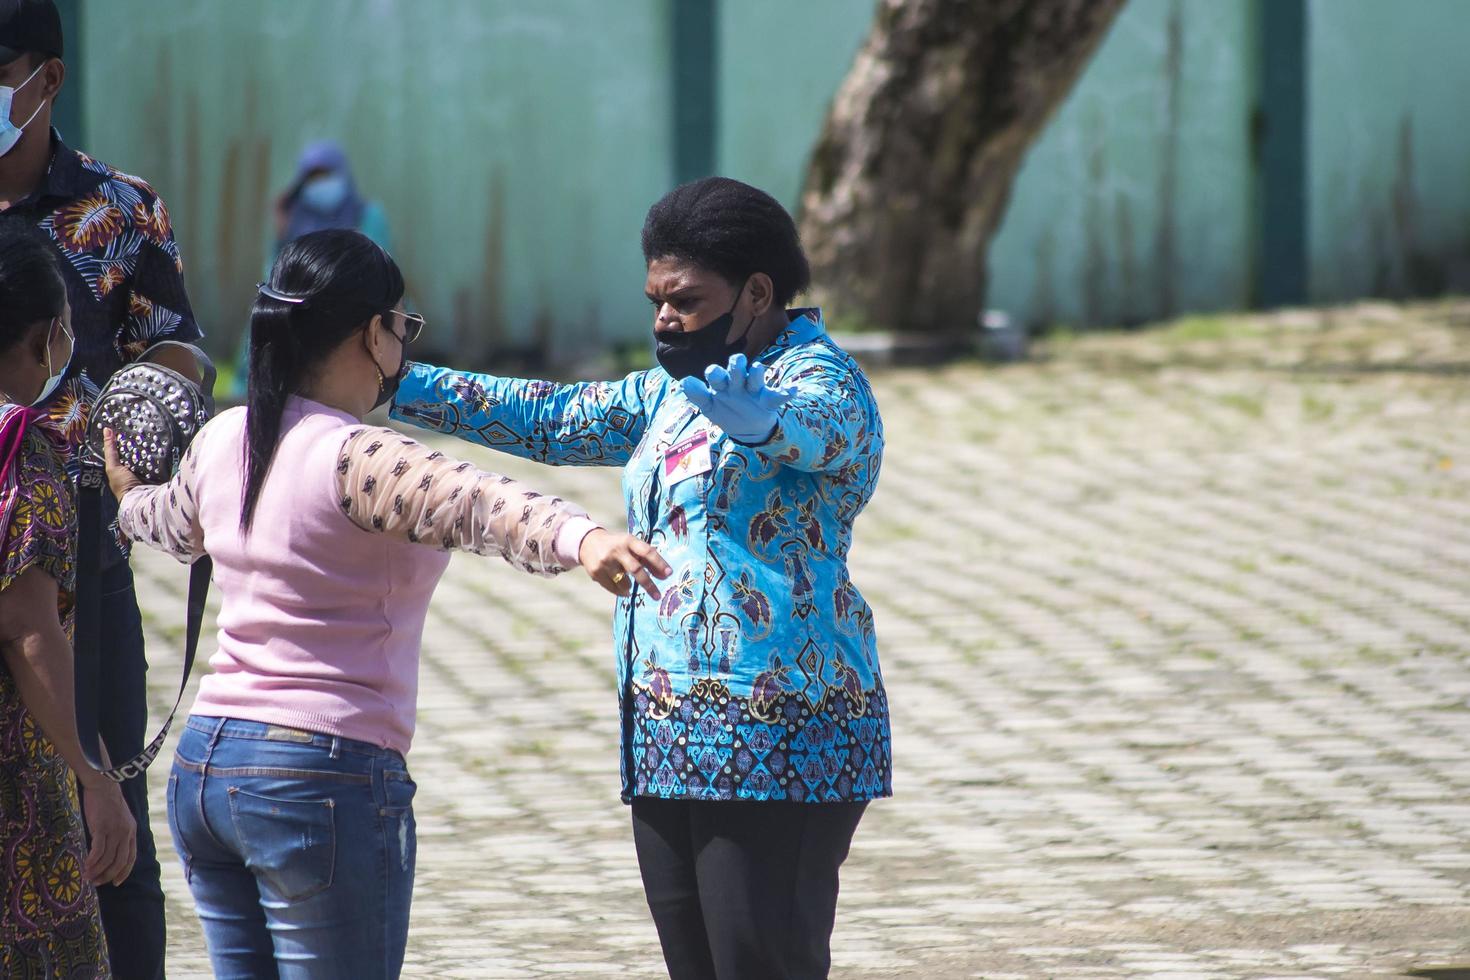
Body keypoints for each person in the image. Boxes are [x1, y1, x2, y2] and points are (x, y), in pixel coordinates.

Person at [105, 228, 669, 978]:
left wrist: (126, 492)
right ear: (373, 332)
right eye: (402, 327)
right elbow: (479, 504)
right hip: (318, 779)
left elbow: (166, 523)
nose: (403, 347)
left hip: (208, 768)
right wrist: (585, 539)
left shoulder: (222, 437)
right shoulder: (360, 458)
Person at [392, 176, 890, 979]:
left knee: (760, 964)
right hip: (666, 728)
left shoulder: (821, 379)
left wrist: (765, 424)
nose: (663, 319)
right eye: (655, 298)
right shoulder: (673, 387)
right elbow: (551, 419)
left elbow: (821, 433)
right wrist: (392, 380)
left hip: (782, 728)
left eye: (685, 300)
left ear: (758, 292)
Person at [0, 4, 204, 974]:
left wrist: (133, 399)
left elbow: (181, 345)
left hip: (81, 529)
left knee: (105, 807)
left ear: (49, 78)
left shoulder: (119, 207)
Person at [0, 218, 136, 978]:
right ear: (52, 336)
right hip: (16, 796)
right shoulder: (23, 452)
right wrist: (97, 777)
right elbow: (26, 628)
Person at [231, 139, 393, 397]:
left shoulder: (368, 215)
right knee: (266, 313)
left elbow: (380, 267)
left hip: (352, 299)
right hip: (301, 301)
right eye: (314, 177)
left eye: (327, 175)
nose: (322, 185)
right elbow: (275, 271)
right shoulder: (294, 216)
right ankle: (249, 388)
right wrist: (282, 228)